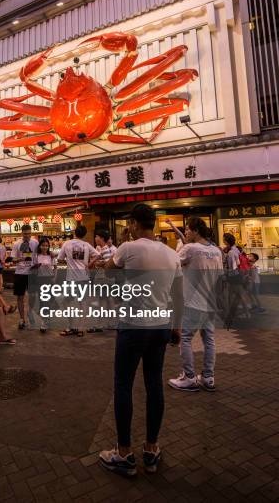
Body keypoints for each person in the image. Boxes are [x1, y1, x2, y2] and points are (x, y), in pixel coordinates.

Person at [99, 204, 184, 476]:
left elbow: (107, 273)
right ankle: (151, 448)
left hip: (133, 326)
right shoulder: (172, 254)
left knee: (123, 384)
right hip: (161, 326)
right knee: (154, 384)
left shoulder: (128, 248)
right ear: (155, 224)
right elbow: (178, 295)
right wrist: (177, 327)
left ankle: (124, 453)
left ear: (134, 224)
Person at [168, 217, 223, 393]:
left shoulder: (190, 249)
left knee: (185, 338)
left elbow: (172, 265)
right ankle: (208, 377)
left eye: (187, 229)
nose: (186, 232)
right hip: (211, 302)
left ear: (196, 231)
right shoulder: (216, 251)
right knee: (209, 340)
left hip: (193, 302)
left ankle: (189, 377)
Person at [58, 225, 100, 337]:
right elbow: (98, 255)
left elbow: (60, 259)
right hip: (84, 278)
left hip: (71, 279)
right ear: (85, 234)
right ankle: (80, 328)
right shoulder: (86, 245)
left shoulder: (67, 244)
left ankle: (71, 327)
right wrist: (89, 264)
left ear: (74, 233)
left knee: (66, 302)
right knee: (82, 303)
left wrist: (69, 262)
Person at [11, 225, 38, 329]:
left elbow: (38, 255)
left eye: (29, 233)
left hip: (32, 273)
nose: (27, 235)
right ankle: (22, 318)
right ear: (21, 233)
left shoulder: (35, 242)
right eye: (25, 233)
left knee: (33, 296)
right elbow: (12, 259)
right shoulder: (17, 244)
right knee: (20, 297)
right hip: (20, 273)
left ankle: (30, 312)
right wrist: (20, 259)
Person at [29, 237, 56, 333]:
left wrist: (54, 277)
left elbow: (55, 267)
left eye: (46, 245)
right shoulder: (36, 256)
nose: (45, 247)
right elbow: (31, 269)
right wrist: (35, 268)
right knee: (42, 301)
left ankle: (46, 320)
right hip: (40, 280)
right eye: (43, 245)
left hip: (49, 280)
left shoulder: (51, 256)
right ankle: (44, 321)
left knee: (48, 301)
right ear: (39, 246)